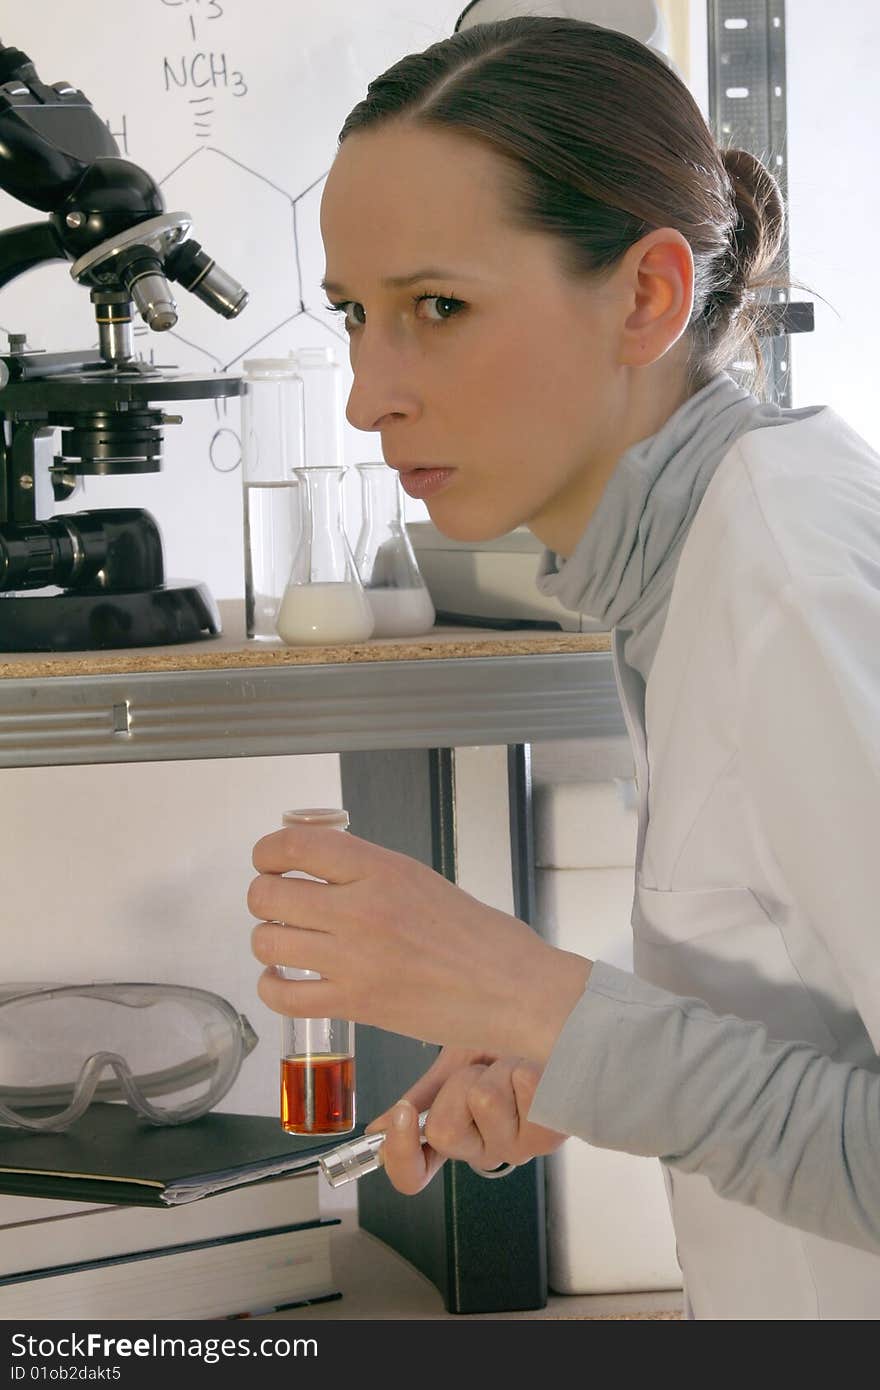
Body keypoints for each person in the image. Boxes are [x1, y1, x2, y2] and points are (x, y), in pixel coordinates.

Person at [247, 17, 880, 1319]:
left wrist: (545, 1001)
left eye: (439, 307)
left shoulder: (790, 589)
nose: (369, 394)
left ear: (646, 296)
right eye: (358, 316)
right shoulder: (688, 562)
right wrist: (579, 1049)